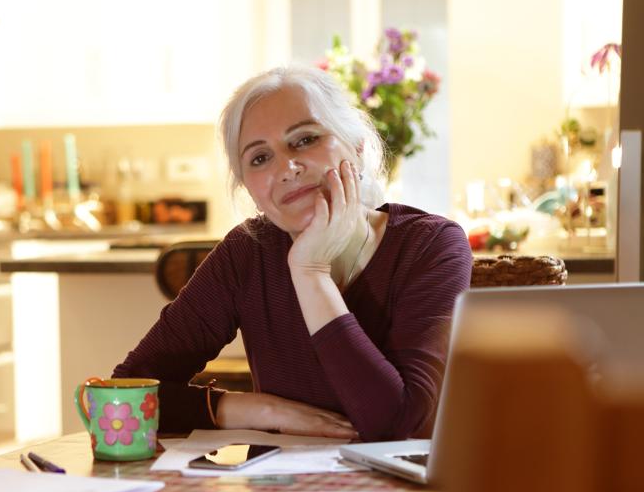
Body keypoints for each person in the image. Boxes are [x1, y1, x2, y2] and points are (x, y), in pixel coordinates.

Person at [112, 65, 472, 442]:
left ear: (358, 147)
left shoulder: (431, 246)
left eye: (304, 140)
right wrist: (258, 410)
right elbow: (121, 398)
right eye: (259, 158)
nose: (287, 167)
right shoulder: (247, 253)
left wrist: (311, 272)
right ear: (250, 189)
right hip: (281, 491)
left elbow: (398, 427)